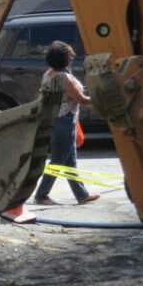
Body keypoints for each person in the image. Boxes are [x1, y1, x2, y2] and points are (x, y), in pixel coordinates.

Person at [33, 40, 100, 206]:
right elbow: (83, 100)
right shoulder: (65, 79)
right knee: (57, 161)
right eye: (70, 55)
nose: (73, 57)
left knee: (70, 161)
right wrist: (102, 99)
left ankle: (82, 195)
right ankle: (41, 195)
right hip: (65, 121)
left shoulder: (48, 74)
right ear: (64, 59)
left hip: (56, 120)